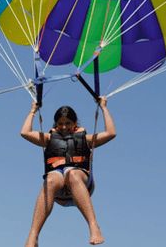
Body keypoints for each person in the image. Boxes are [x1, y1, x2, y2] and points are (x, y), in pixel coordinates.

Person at [20, 97, 116, 246]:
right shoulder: (48, 139)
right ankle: (33, 235)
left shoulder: (87, 140)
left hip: (81, 183)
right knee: (51, 178)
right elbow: (25, 132)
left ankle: (93, 225)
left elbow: (111, 133)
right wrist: (33, 110)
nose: (64, 127)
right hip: (58, 191)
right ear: (56, 124)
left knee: (71, 173)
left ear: (75, 123)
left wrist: (103, 107)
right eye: (60, 124)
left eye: (68, 123)